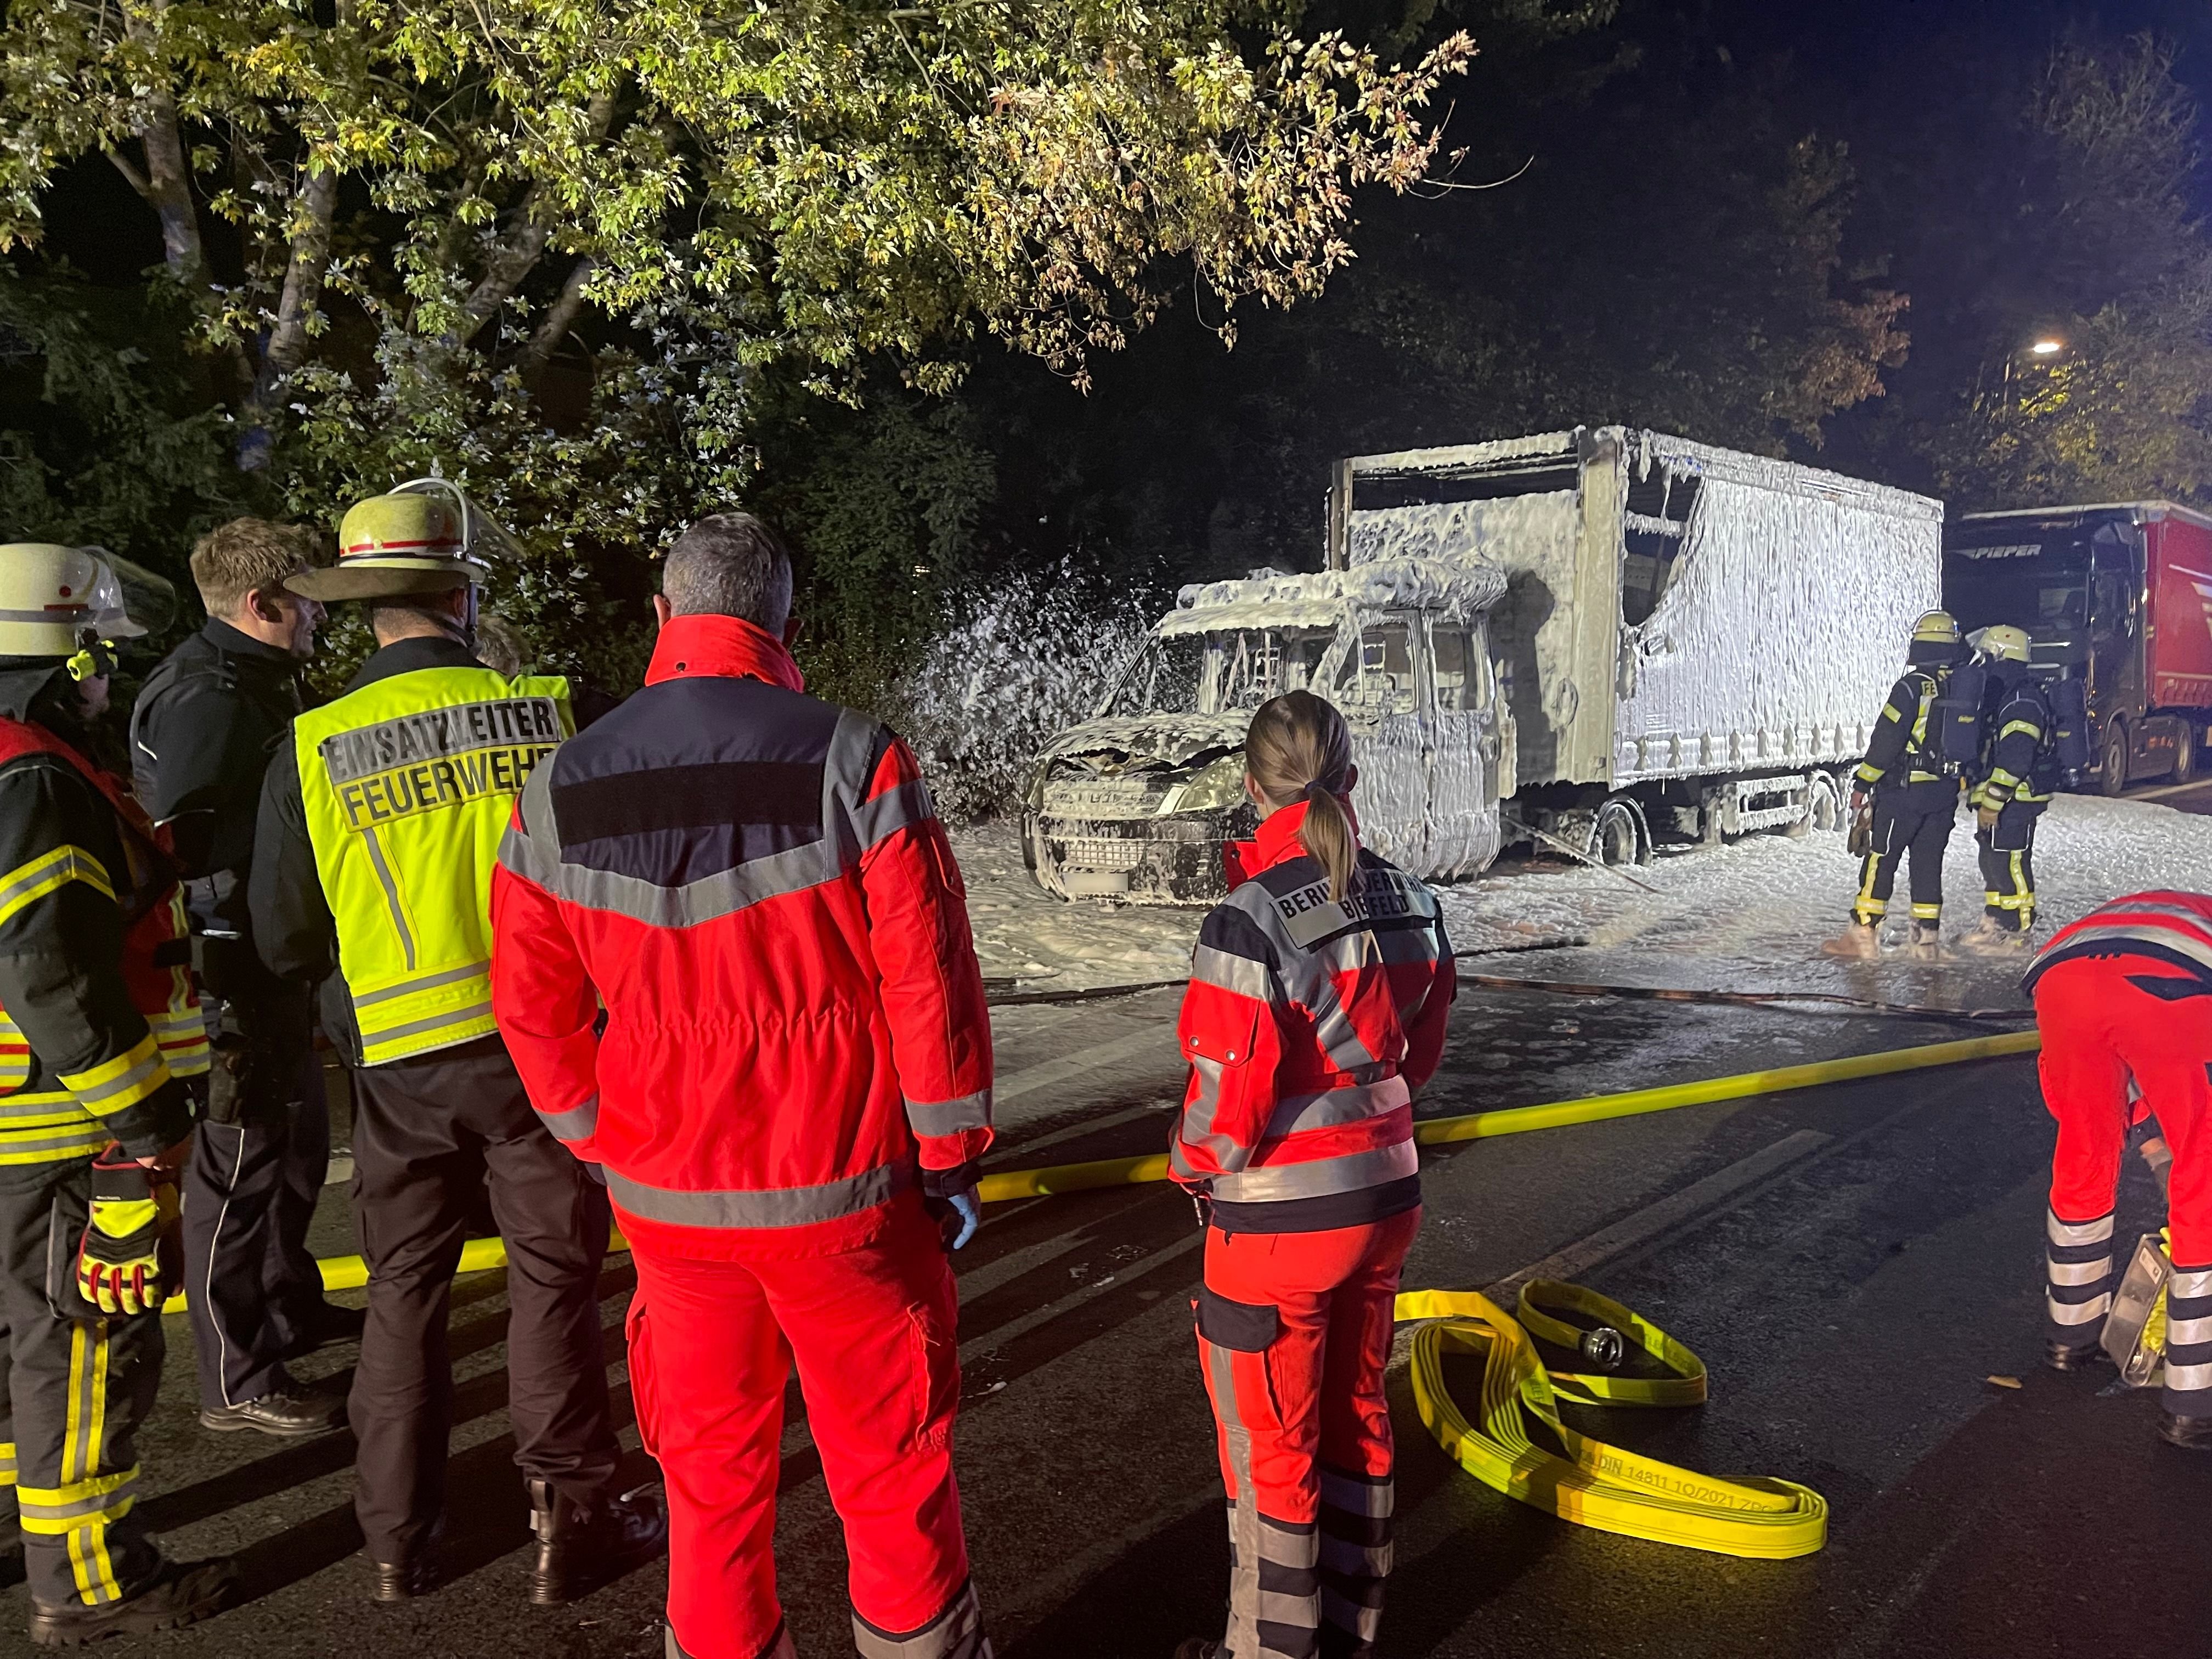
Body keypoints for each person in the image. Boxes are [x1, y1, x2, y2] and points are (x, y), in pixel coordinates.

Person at [490, 511, 996, 1659]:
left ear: (661, 619)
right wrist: (951, 1149)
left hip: (671, 1207)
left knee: (710, 1491)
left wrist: (601, 1137)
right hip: (846, 1192)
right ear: (783, 624)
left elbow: (531, 1005)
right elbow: (930, 975)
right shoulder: (855, 757)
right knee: (889, 1468)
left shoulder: (556, 787)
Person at [249, 481, 665, 1602]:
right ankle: (570, 1510)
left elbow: (283, 937)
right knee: (553, 1278)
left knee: (404, 1292)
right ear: (462, 599)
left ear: (364, 608)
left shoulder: (314, 744)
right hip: (541, 1049)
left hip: (396, 1066)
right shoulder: (545, 712)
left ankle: (396, 1543)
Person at [1166, 689, 1456, 1659]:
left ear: (1252, 790)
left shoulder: (1247, 920)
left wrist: (1193, 1172)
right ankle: (1351, 1628)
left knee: (1269, 1450)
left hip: (1277, 1227)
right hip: (1388, 1199)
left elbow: (1225, 1108)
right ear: (1352, 779)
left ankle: (1270, 1650)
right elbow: (1415, 1062)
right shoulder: (1414, 897)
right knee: (1356, 1409)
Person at [0, 542, 235, 1645]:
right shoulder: (33, 778)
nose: (109, 679)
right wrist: (143, 1111)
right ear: (63, 654)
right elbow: (48, 968)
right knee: (82, 1344)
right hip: (57, 1126)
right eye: (98, 656)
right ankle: (92, 1581)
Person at [131, 518, 360, 1438]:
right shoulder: (211, 698)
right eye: (307, 603)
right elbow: (185, 847)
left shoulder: (243, 679)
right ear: (265, 605)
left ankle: (284, 1302)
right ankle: (238, 1374)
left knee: (292, 1148)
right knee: (239, 1165)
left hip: (264, 953)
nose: (319, 620)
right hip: (237, 964)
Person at [2023, 891, 2212, 1447]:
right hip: (2168, 985)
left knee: (2085, 1150)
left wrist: (2156, 1143)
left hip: (2062, 980)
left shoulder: (2180, 907)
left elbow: (2140, 1066)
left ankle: (2071, 1338)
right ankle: (2194, 1404)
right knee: (2205, 1184)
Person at [1830, 609, 1967, 960]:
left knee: (1881, 859)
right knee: (1928, 864)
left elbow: (1888, 740)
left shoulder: (1911, 687)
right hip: (1944, 793)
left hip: (1903, 794)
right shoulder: (1964, 686)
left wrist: (1863, 782)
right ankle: (1926, 942)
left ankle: (1863, 935)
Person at [1959, 625, 2056, 957]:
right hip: (2003, 800)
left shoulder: (2021, 700)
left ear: (2001, 657)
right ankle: (1996, 923)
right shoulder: (2008, 695)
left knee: (2011, 863)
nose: (1982, 664)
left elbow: (2015, 761)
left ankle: (2019, 935)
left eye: (1986, 657)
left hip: (2016, 799)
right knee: (1993, 862)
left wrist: (1993, 803)